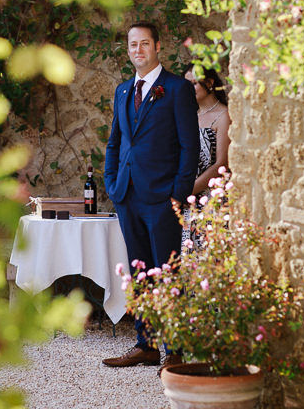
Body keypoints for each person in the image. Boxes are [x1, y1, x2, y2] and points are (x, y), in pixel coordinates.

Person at [101, 22, 200, 371]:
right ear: (127, 49)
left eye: (145, 43)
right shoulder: (123, 91)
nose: (138, 50)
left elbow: (191, 147)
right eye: (132, 44)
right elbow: (115, 142)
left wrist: (178, 194)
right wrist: (112, 183)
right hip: (128, 195)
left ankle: (175, 351)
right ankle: (146, 344)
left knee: (168, 271)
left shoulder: (176, 89)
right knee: (140, 271)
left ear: (158, 46)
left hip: (163, 198)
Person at [181, 64, 230, 250]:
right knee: (189, 256)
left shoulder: (224, 115)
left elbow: (222, 164)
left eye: (193, 84)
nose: (188, 89)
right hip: (188, 199)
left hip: (210, 197)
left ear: (209, 83)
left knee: (209, 254)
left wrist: (192, 190)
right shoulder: (190, 115)